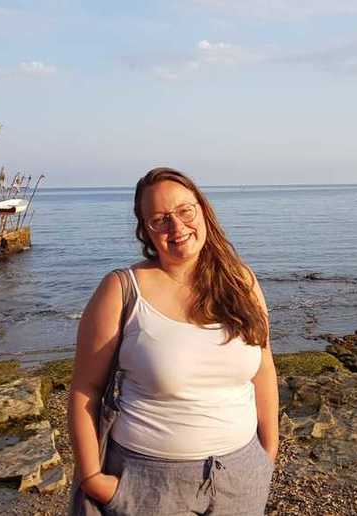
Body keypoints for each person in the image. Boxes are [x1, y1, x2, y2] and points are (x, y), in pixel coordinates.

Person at [68, 167, 278, 515]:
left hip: (242, 476)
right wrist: (93, 479)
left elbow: (264, 370)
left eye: (185, 211)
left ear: (203, 210)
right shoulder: (121, 290)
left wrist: (267, 452)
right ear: (145, 230)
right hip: (149, 484)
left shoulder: (242, 281)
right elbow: (85, 389)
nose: (177, 227)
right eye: (160, 219)